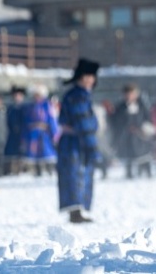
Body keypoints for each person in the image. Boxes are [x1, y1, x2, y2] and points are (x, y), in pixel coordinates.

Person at [57, 58, 101, 224]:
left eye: (92, 77)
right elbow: (83, 124)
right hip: (76, 142)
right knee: (75, 175)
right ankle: (75, 212)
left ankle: (77, 210)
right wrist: (92, 147)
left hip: (75, 141)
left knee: (76, 175)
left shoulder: (80, 95)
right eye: (87, 76)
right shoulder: (78, 96)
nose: (90, 80)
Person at [110, 83, 156, 179]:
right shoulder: (120, 107)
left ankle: (147, 171)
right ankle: (129, 172)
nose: (129, 96)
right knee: (129, 154)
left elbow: (148, 118)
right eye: (127, 94)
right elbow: (115, 120)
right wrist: (125, 127)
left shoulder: (142, 106)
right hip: (127, 135)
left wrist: (144, 128)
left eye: (132, 94)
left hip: (140, 134)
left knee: (144, 153)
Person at [21, 84, 58, 177]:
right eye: (35, 95)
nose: (37, 97)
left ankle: (49, 170)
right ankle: (36, 171)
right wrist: (25, 135)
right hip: (33, 134)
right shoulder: (30, 107)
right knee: (33, 153)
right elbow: (26, 122)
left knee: (46, 152)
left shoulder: (47, 106)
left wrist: (54, 133)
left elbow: (51, 119)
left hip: (44, 133)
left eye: (38, 95)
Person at [3, 86, 26, 175]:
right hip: (11, 135)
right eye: (15, 96)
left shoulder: (25, 108)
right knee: (11, 155)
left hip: (22, 134)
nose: (17, 97)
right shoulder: (10, 109)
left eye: (19, 95)